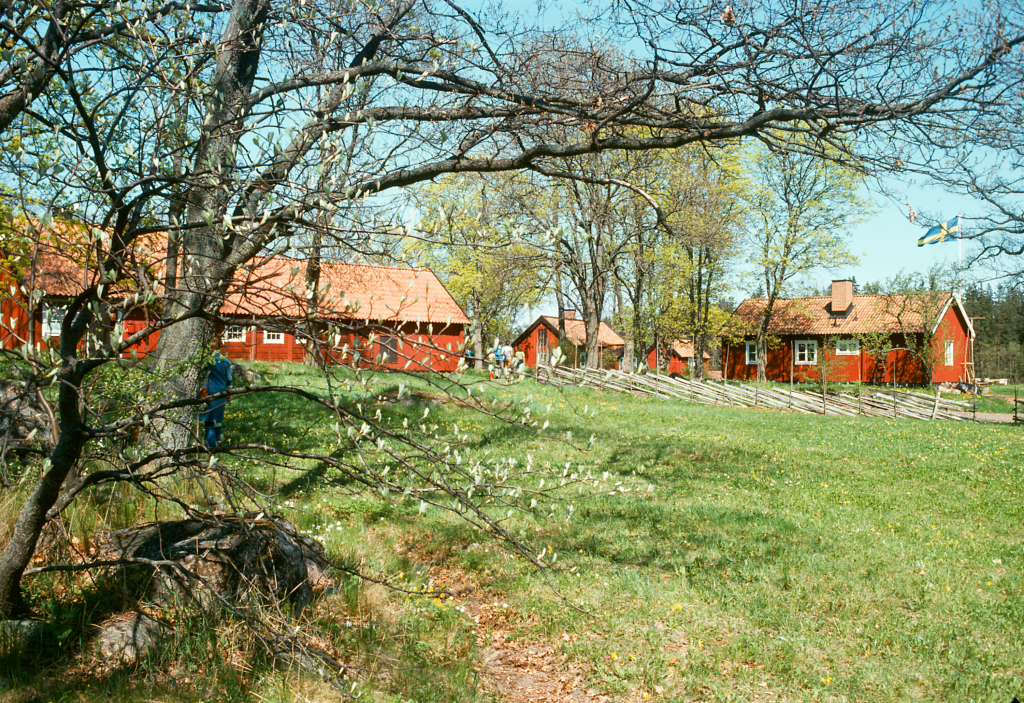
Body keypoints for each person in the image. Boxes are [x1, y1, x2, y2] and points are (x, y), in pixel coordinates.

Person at [199, 351, 232, 449]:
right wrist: (229, 393)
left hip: (209, 391)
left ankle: (210, 446)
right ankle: (218, 440)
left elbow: (203, 377)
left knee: (209, 419)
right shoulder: (225, 361)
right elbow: (229, 380)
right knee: (218, 418)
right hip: (222, 391)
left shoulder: (208, 361)